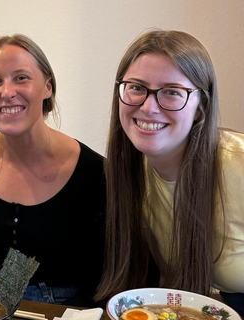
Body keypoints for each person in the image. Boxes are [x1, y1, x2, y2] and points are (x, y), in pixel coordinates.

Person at [0, 34, 107, 307]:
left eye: (21, 78)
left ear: (47, 87)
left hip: (72, 308)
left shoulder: (95, 171)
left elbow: (105, 277)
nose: (7, 92)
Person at [94, 29, 244, 315]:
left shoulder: (238, 164)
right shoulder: (130, 173)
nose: (149, 107)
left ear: (201, 106)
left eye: (172, 92)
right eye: (136, 87)